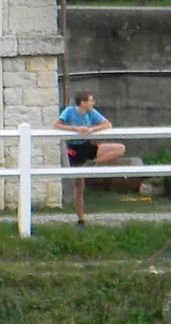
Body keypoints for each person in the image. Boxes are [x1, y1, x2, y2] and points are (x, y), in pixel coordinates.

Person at [53, 89, 125, 224]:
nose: (93, 103)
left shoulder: (91, 112)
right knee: (79, 189)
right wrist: (75, 129)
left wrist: (91, 129)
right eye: (90, 101)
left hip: (87, 145)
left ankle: (94, 163)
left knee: (120, 149)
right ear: (82, 102)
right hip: (74, 151)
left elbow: (107, 124)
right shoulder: (69, 111)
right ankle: (81, 220)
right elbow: (56, 125)